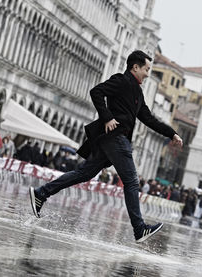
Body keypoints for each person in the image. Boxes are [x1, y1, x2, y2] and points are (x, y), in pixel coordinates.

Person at [29, 50, 183, 243]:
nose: (147, 73)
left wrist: (171, 133)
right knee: (132, 181)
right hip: (116, 137)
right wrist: (107, 117)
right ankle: (139, 228)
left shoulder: (137, 91)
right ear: (135, 67)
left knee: (84, 173)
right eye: (146, 69)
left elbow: (148, 119)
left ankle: (40, 194)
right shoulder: (121, 80)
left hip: (113, 139)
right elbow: (96, 92)